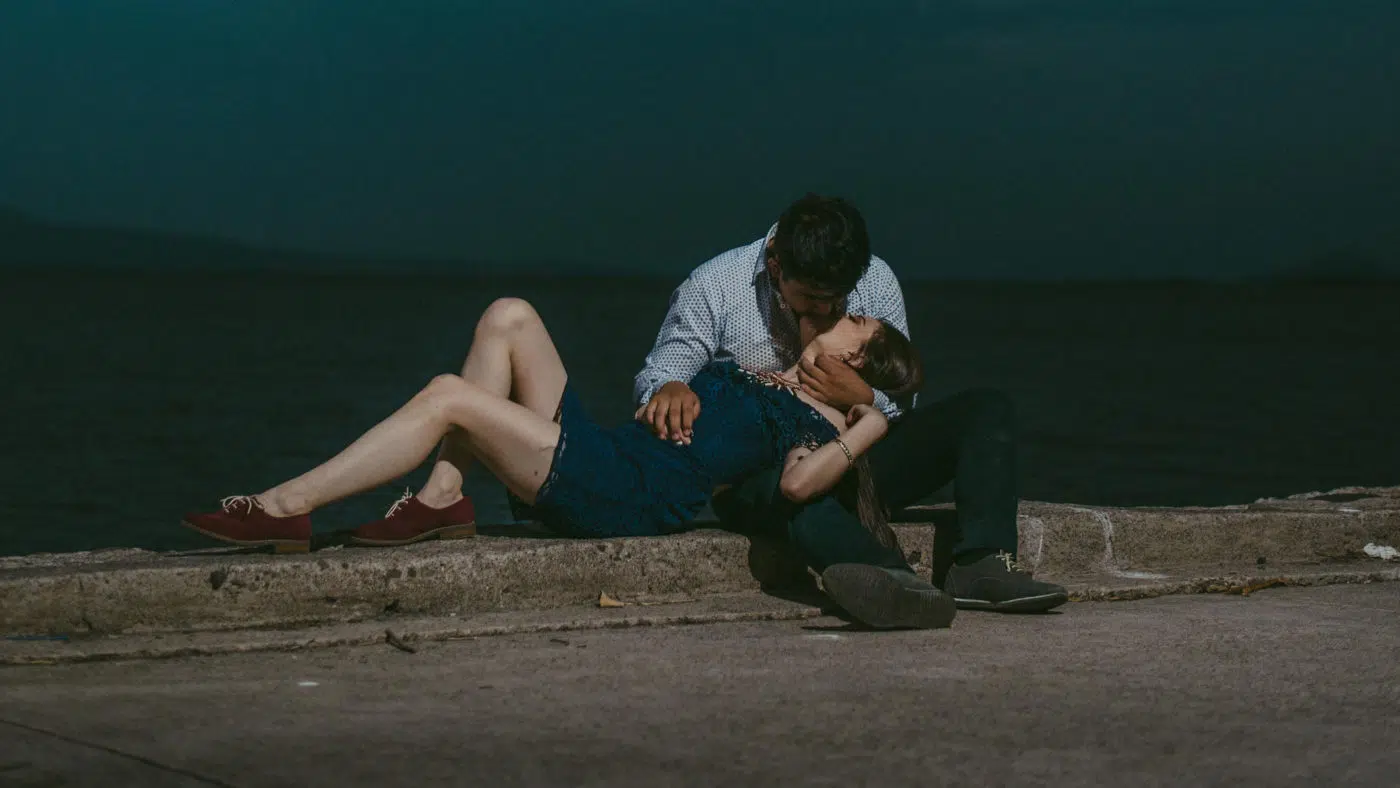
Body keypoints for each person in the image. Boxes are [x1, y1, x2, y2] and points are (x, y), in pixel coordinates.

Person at [180, 297, 955, 627]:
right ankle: (445, 494)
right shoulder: (772, 373)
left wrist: (870, 424)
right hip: (613, 451)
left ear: (865, 356)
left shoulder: (815, 423)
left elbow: (796, 485)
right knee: (509, 316)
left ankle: (284, 508)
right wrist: (680, 382)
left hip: (621, 491)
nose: (845, 313)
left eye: (858, 320)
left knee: (452, 395)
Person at [632, 193, 1068, 624]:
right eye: (811, 297)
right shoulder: (715, 285)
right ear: (776, 267)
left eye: (837, 298)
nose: (825, 309)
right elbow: (656, 377)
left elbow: (903, 394)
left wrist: (861, 396)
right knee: (795, 494)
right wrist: (669, 387)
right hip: (772, 472)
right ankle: (893, 581)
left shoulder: (876, 279)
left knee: (986, 408)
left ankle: (982, 565)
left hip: (858, 455)